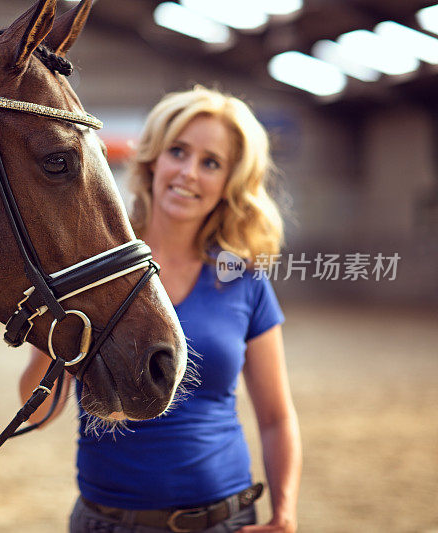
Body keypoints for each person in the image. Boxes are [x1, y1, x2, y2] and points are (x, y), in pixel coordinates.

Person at [19, 86, 301, 533]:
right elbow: (37, 414)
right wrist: (55, 340)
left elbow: (276, 417)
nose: (189, 173)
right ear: (152, 161)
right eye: (178, 151)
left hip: (223, 520)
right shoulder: (91, 269)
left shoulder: (242, 279)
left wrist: (284, 513)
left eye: (211, 163)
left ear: (230, 183)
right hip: (107, 522)